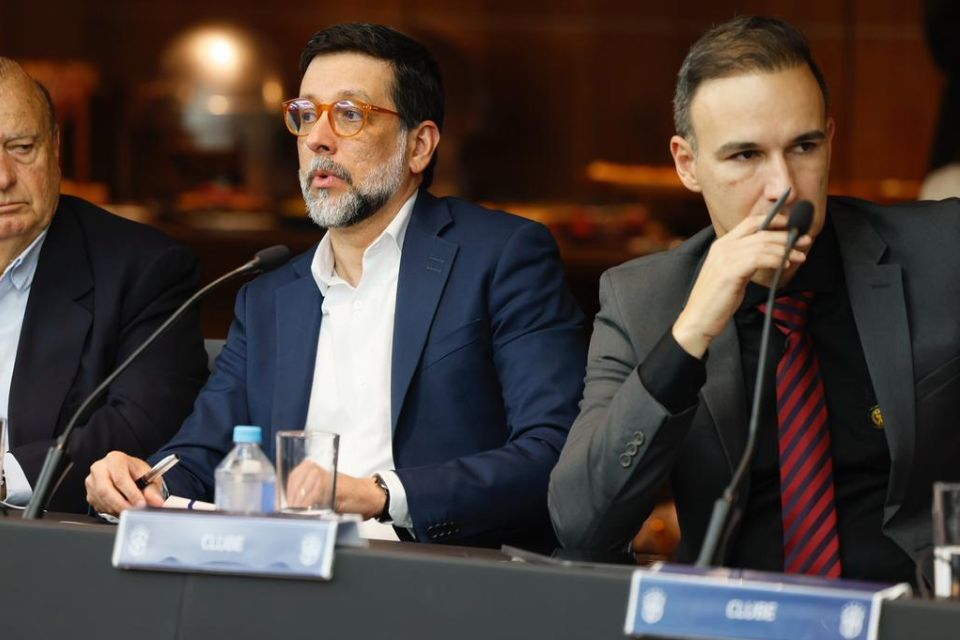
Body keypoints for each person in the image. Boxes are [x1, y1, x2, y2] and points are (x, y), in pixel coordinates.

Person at [86, 23, 586, 547]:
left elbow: (555, 451)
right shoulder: (268, 298)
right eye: (305, 115)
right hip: (285, 578)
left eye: (350, 115)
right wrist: (140, 483)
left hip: (443, 582)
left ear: (419, 146)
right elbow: (205, 456)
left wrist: (384, 494)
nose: (318, 139)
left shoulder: (501, 257)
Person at [548, 16, 960, 584]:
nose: (783, 186)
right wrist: (688, 335)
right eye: (745, 156)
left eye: (804, 146)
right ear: (687, 165)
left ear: (830, 139)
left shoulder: (943, 252)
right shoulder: (643, 299)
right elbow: (582, 525)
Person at [0, 58, 208, 512]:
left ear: (54, 148)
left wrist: (3, 478)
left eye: (20, 147)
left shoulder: (144, 269)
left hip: (51, 550)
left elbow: (142, 425)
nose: (3, 177)